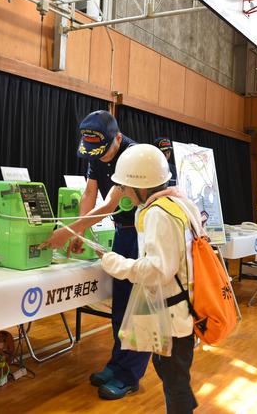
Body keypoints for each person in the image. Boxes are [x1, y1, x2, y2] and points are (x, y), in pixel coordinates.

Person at [41, 110, 149, 400]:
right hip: (124, 232)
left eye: (103, 153)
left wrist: (70, 232)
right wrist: (81, 233)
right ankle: (117, 363)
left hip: (147, 233)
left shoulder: (134, 156)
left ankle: (130, 375)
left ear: (117, 138)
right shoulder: (95, 151)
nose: (98, 159)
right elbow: (89, 194)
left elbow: (111, 205)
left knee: (139, 306)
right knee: (121, 303)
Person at [98, 143, 201, 413]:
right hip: (183, 311)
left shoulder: (158, 213)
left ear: (140, 185)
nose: (122, 192)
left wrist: (116, 263)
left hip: (173, 317)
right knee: (174, 376)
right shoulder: (179, 203)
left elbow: (157, 271)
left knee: (174, 380)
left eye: (124, 186)